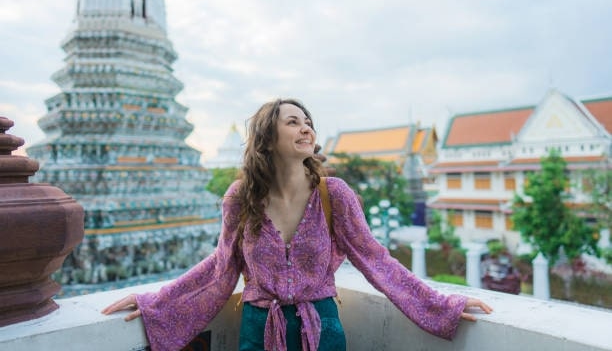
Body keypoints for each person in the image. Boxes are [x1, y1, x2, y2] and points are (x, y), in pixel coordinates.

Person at [102, 98, 493, 350]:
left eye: (308, 122)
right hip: (259, 329)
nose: (306, 128)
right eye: (293, 122)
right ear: (267, 138)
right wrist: (157, 302)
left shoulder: (334, 194)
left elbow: (376, 260)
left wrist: (441, 305)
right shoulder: (240, 198)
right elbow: (221, 269)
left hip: (321, 328)